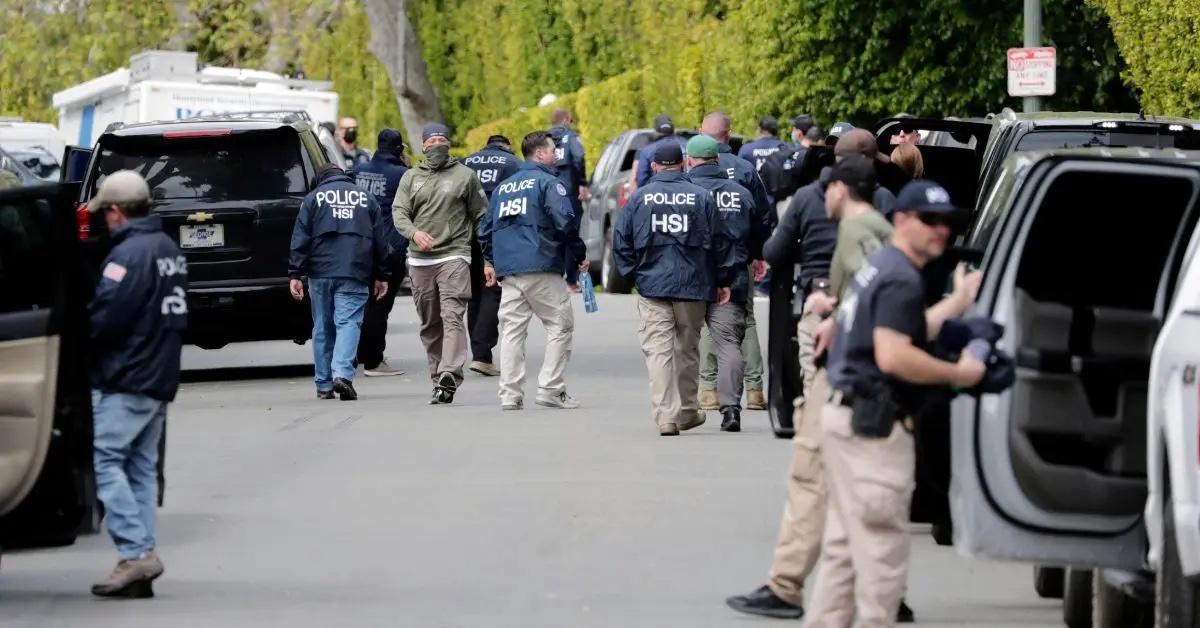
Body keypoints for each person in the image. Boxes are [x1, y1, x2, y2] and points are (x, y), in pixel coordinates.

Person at [726, 155, 900, 621]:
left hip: (845, 358)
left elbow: (868, 291)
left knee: (812, 467)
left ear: (839, 189)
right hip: (873, 364)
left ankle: (787, 586)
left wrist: (835, 313)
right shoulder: (886, 216)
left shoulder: (851, 227)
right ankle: (879, 591)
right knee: (860, 481)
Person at [804, 180, 985, 627]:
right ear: (900, 220)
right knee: (881, 557)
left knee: (845, 552)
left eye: (946, 224)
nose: (939, 232)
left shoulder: (883, 265)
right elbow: (894, 354)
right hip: (874, 431)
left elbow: (902, 328)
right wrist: (960, 374)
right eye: (929, 221)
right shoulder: (902, 277)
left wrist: (957, 303)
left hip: (846, 416)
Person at [86, 170, 186, 597]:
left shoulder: (126, 256)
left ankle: (136, 553)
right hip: (159, 373)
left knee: (105, 461)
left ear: (115, 212)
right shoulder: (166, 247)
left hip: (126, 374)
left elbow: (105, 319)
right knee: (141, 468)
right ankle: (139, 557)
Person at [763, 127, 897, 412]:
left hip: (819, 298)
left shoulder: (806, 196)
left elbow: (775, 252)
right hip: (870, 305)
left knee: (817, 390)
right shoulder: (884, 199)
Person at [613, 142, 721, 436]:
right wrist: (720, 279)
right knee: (687, 349)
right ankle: (687, 410)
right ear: (683, 163)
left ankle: (666, 416)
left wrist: (633, 274)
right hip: (693, 285)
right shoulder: (702, 197)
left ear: (656, 166)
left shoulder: (639, 198)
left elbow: (621, 240)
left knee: (658, 352)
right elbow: (718, 242)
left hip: (652, 285)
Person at [479, 130, 588, 410]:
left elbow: (484, 231)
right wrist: (579, 255)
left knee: (513, 332)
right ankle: (551, 388)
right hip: (542, 265)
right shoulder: (549, 183)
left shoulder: (504, 188)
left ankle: (510, 394)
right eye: (553, 150)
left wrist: (495, 261)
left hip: (510, 271)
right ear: (540, 153)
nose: (556, 155)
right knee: (560, 325)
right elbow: (565, 222)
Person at [393, 124, 489, 404]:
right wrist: (414, 233)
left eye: (442, 139)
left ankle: (450, 372)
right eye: (432, 140)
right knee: (430, 322)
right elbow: (399, 212)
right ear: (422, 146)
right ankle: (438, 378)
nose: (437, 143)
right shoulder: (410, 177)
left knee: (452, 315)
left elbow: (481, 216)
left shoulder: (466, 176)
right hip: (420, 260)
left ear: (449, 143)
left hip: (455, 256)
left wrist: (488, 258)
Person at [290, 164, 391, 401]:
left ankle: (324, 384)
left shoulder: (313, 198)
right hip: (355, 270)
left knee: (323, 327)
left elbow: (300, 237)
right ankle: (343, 375)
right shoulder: (366, 198)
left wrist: (295, 273)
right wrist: (382, 274)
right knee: (348, 323)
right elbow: (380, 240)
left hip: (320, 272)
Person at [684, 135, 760, 432]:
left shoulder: (685, 192)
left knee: (683, 342)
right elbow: (760, 227)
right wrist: (752, 257)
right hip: (733, 276)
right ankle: (731, 409)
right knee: (729, 343)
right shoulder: (740, 192)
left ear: (690, 160)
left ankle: (685, 404)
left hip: (689, 279)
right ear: (718, 159)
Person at [698, 111, 771, 411]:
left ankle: (708, 390)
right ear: (728, 134)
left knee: (707, 321)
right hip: (739, 258)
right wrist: (757, 255)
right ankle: (754, 390)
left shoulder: (695, 172)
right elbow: (762, 216)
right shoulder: (744, 169)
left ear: (702, 133)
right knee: (747, 320)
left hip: (703, 260)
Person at [353, 128, 411, 378]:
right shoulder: (400, 174)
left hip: (359, 245)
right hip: (389, 247)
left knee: (360, 303)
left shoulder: (358, 170)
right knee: (380, 306)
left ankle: (356, 353)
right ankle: (374, 359)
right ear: (399, 149)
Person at [463, 134, 522, 377]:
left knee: (475, 292)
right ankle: (482, 354)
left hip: (466, 232)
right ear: (507, 145)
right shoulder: (512, 164)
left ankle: (479, 352)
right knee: (492, 287)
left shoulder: (467, 162)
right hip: (497, 231)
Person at [548, 108, 588, 290]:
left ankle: (551, 277)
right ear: (566, 120)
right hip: (569, 191)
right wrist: (582, 183)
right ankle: (571, 281)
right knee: (571, 232)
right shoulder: (571, 137)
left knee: (550, 232)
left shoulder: (542, 139)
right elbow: (579, 157)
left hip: (547, 192)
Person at [762, 118, 824, 217]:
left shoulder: (784, 153)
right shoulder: (814, 158)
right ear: (820, 141)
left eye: (794, 129)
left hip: (782, 207)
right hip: (807, 208)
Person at [631, 113, 688, 189]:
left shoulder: (646, 150)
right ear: (673, 130)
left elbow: (641, 180)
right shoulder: (688, 145)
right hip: (685, 192)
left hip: (655, 194)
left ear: (655, 131)